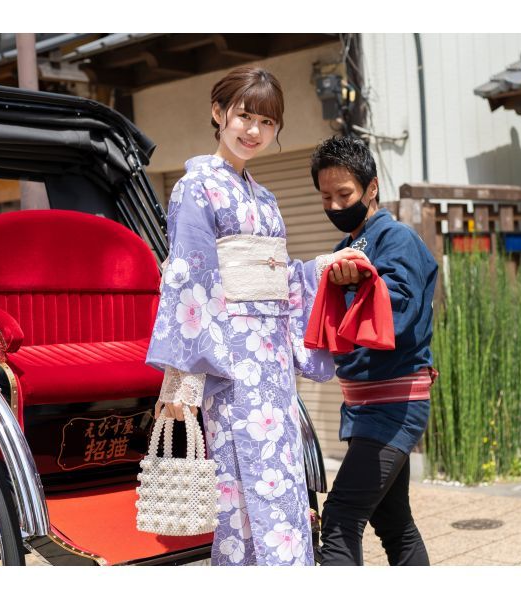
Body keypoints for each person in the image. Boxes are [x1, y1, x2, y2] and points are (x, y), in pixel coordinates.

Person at [145, 67, 366, 566]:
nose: (253, 131)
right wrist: (183, 380)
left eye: (266, 122)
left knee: (283, 480)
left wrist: (317, 269)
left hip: (272, 366)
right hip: (230, 362)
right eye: (244, 115)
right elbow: (189, 278)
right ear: (218, 113)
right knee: (241, 488)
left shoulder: (265, 199)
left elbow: (280, 277)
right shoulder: (195, 188)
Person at [310, 136, 438, 566]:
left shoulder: (397, 238)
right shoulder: (344, 249)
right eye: (326, 197)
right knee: (393, 521)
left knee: (342, 517)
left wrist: (356, 285)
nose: (334, 205)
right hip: (364, 406)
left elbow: (398, 314)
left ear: (372, 188)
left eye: (344, 194)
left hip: (393, 403)